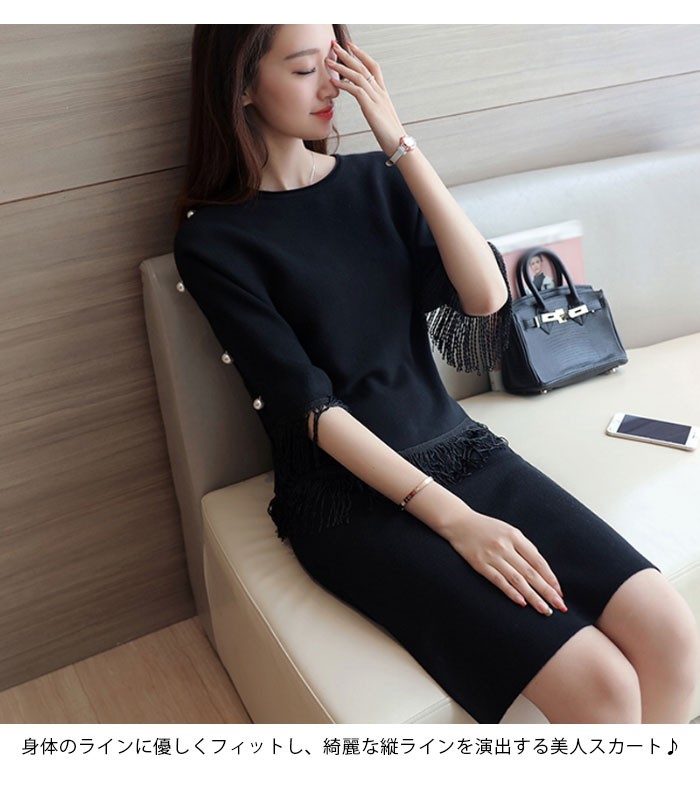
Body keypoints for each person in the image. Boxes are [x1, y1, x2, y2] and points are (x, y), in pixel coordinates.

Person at [173, 24, 699, 724]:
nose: (332, 85)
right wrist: (458, 522)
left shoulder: (376, 180)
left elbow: (485, 298)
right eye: (303, 70)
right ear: (242, 85)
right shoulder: (213, 239)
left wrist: (399, 144)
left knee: (672, 633)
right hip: (346, 495)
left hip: (460, 448)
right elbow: (310, 409)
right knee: (603, 688)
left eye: (336, 61)